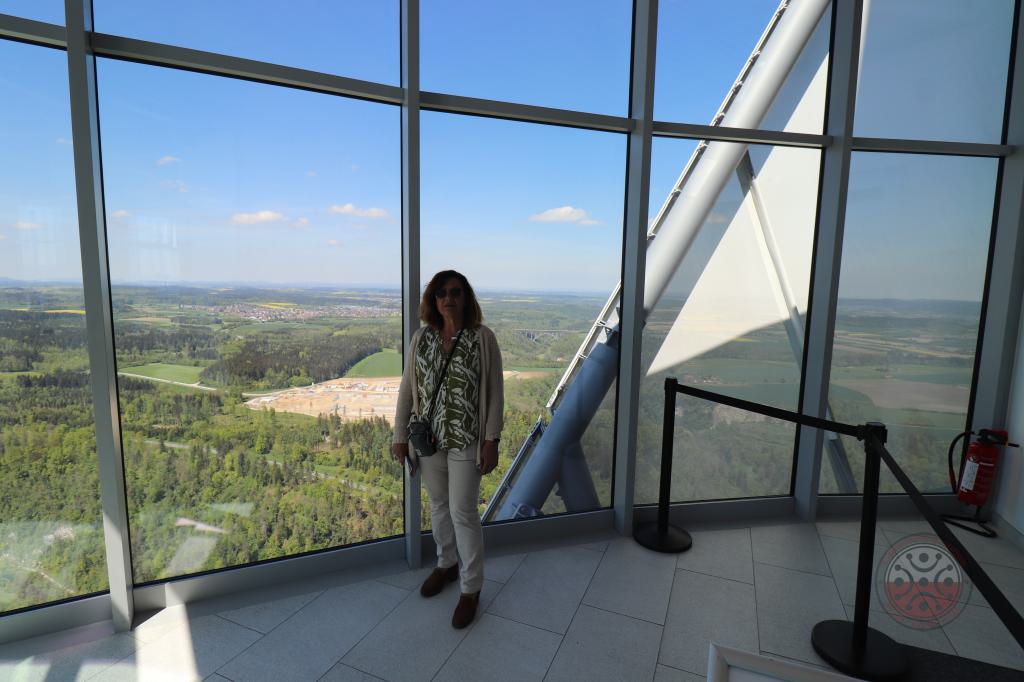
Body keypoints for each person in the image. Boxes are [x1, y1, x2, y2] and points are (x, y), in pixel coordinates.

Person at [392, 270, 503, 629]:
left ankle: (471, 589)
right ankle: (446, 564)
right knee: (438, 506)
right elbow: (408, 389)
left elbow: (495, 393)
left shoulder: (482, 339)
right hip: (429, 441)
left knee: (463, 512)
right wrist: (399, 436)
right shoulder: (421, 339)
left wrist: (492, 439)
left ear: (466, 298)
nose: (448, 298)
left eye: (455, 292)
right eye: (441, 292)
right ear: (433, 300)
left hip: (467, 440)